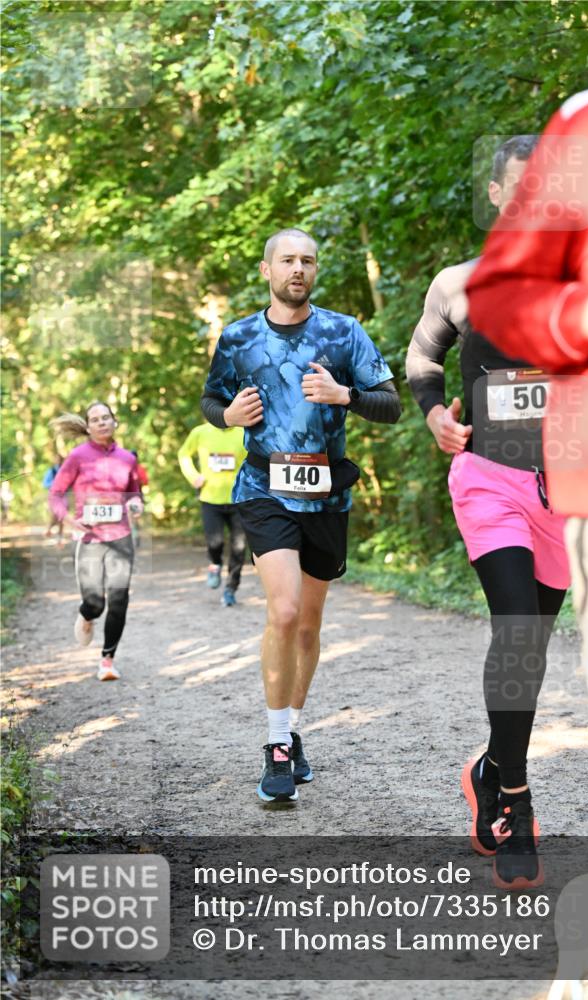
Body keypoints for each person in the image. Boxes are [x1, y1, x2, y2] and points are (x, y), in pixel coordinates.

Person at [467, 58, 588, 999]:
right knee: (522, 635)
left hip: (569, 488)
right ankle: (507, 774)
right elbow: (494, 303)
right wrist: (582, 311)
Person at [407, 135, 570, 890]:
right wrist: (435, 415)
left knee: (531, 650)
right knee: (514, 629)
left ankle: (487, 764)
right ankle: (515, 798)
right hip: (489, 479)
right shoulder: (460, 283)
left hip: (567, 491)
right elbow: (422, 362)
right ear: (499, 195)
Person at [201, 227, 401, 802]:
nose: (298, 268)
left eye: (307, 261)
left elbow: (389, 404)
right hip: (264, 487)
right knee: (284, 611)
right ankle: (276, 744)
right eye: (287, 260)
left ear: (315, 271)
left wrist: (346, 397)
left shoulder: (343, 332)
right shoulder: (238, 337)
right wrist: (228, 416)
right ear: (267, 270)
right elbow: (212, 401)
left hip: (327, 493)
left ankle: (292, 725)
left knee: (309, 625)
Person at [49, 402, 143, 682]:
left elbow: (134, 492)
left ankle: (107, 660)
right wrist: (67, 518)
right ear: (87, 427)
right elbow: (56, 494)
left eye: (106, 417)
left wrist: (136, 504)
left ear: (115, 422)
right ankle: (87, 615)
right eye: (95, 419)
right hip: (89, 538)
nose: (102, 422)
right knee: (95, 603)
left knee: (119, 600)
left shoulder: (127, 458)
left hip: (121, 538)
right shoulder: (77, 456)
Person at [178, 422, 247, 606]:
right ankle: (215, 564)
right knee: (214, 542)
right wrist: (193, 476)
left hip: (239, 500)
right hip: (210, 499)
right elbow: (183, 454)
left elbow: (255, 460)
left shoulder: (243, 432)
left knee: (239, 547)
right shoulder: (200, 432)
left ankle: (231, 589)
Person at [43, 457, 64, 544]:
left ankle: (59, 538)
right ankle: (48, 529)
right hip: (54, 496)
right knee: (54, 515)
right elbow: (45, 484)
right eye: (57, 460)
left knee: (62, 517)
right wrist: (55, 484)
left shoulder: (65, 470)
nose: (59, 461)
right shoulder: (51, 471)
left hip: (63, 497)